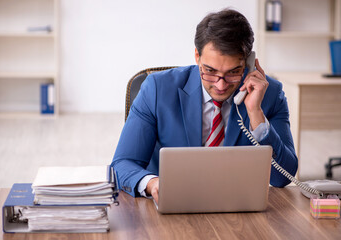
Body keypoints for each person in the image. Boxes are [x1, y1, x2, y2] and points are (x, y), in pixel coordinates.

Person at [111, 9, 298, 204]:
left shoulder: (270, 94)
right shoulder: (157, 89)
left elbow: (283, 177)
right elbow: (122, 164)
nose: (220, 84)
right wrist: (153, 183)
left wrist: (255, 114)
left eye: (234, 72)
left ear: (248, 64)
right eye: (210, 71)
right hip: (173, 205)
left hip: (238, 206)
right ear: (197, 56)